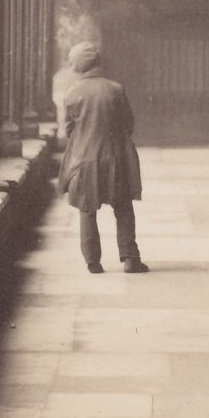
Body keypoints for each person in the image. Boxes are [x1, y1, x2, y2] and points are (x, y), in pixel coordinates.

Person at [55, 41, 148, 274]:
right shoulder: (115, 89)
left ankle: (93, 261)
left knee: (87, 210)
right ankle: (130, 258)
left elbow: (69, 131)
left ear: (78, 65)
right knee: (123, 207)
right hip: (115, 158)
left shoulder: (72, 93)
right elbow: (128, 123)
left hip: (84, 160)